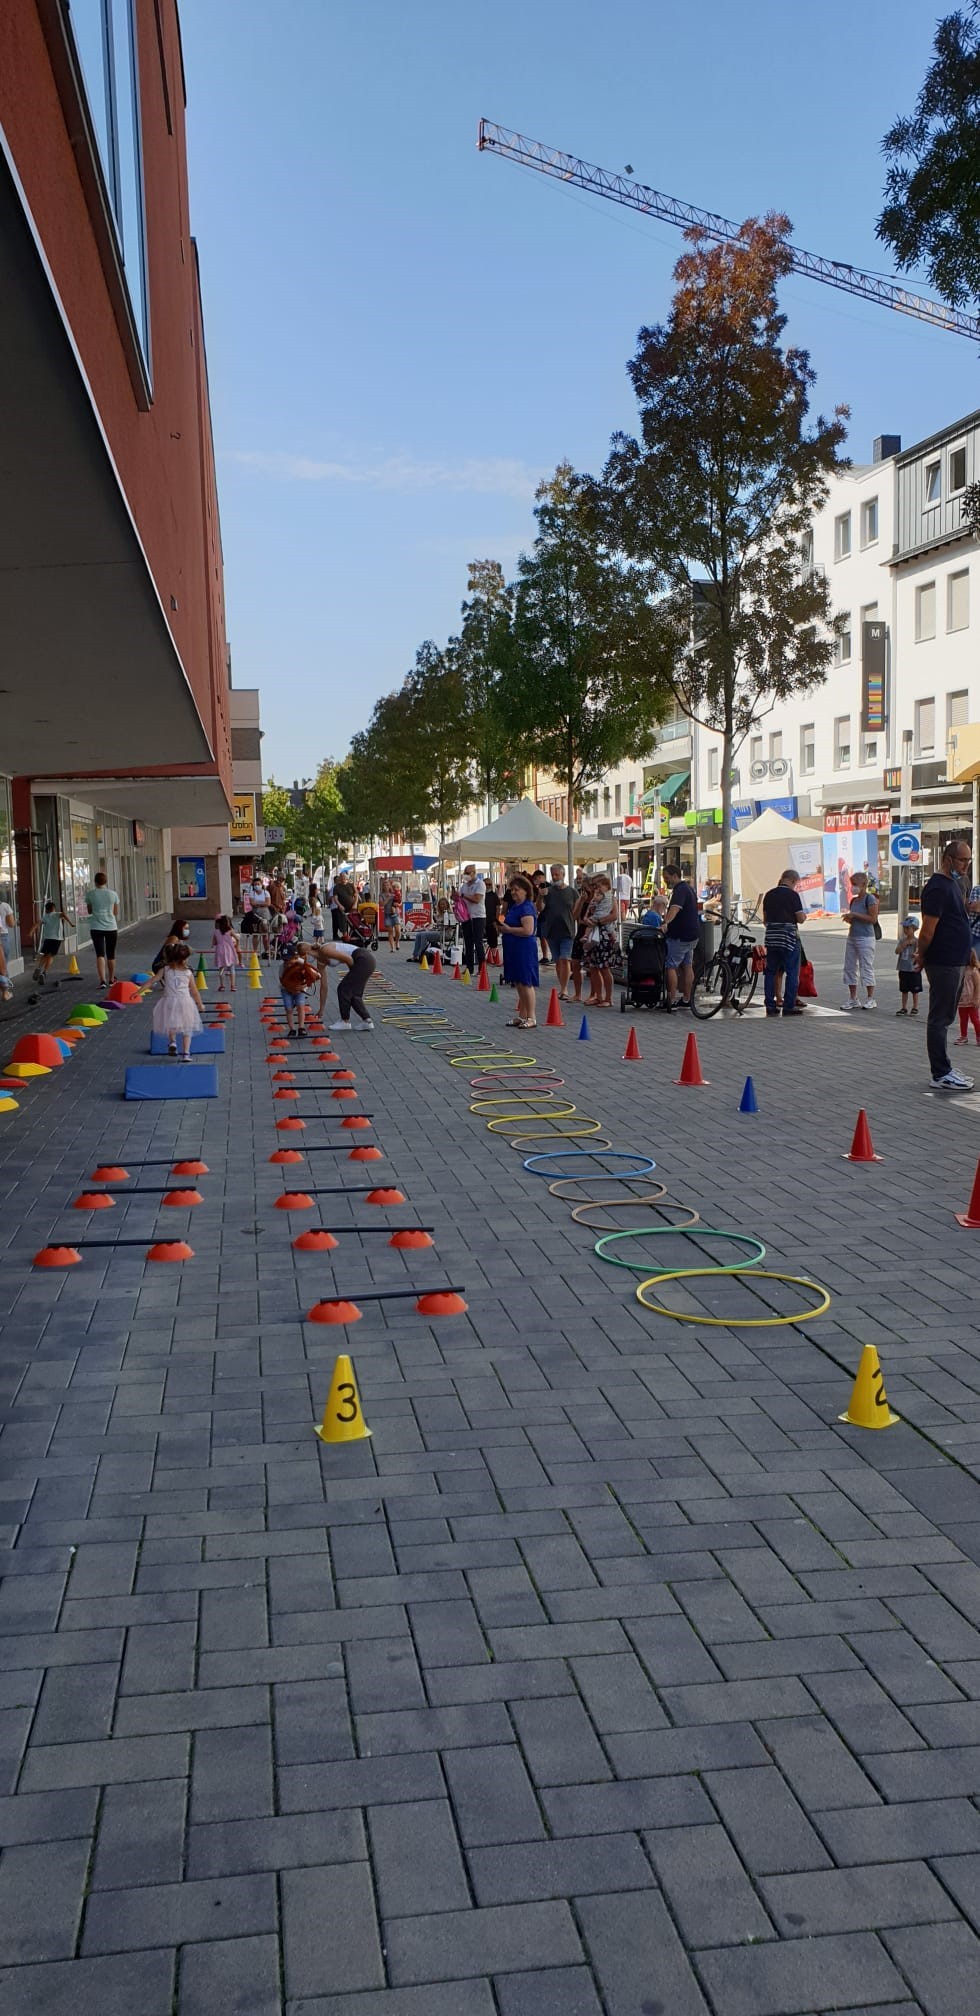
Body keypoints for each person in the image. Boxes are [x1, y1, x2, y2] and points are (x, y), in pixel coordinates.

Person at [917, 835, 974, 1091]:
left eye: (969, 860)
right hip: (944, 960)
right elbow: (928, 930)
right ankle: (940, 1073)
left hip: (957, 958)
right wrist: (921, 954)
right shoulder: (938, 887)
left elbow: (958, 919)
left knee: (947, 1015)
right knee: (940, 1017)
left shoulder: (954, 883)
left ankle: (945, 1068)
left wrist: (969, 952)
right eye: (962, 860)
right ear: (947, 858)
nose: (966, 865)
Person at [762, 869, 805, 1018]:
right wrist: (803, 916)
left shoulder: (769, 894)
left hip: (772, 938)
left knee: (770, 972)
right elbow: (800, 918)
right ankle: (788, 1006)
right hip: (788, 938)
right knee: (792, 972)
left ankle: (770, 1005)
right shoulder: (793, 896)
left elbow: (765, 920)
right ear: (793, 881)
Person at [500, 873, 539, 1028]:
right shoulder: (515, 906)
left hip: (524, 948)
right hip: (513, 947)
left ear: (525, 890)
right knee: (518, 982)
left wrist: (509, 929)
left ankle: (531, 1017)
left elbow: (528, 930)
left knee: (525, 982)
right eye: (512, 890)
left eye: (516, 890)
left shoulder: (527, 907)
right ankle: (522, 1015)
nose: (513, 893)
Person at [152, 941, 202, 1060]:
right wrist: (200, 1004)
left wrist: (137, 991)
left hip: (169, 1001)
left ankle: (173, 1042)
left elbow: (152, 980)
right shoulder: (188, 972)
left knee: (171, 1023)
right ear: (185, 959)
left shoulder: (166, 969)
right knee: (187, 1028)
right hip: (185, 1002)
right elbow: (194, 991)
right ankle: (186, 1054)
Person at [662, 864, 700, 1010]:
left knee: (670, 966)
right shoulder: (689, 888)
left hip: (680, 935)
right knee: (687, 965)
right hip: (692, 934)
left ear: (674, 875)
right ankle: (686, 998)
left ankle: (671, 999)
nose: (666, 880)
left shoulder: (680, 890)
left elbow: (674, 909)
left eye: (667, 877)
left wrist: (666, 923)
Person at [320, 939, 377, 1031]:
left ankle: (345, 1021)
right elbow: (323, 985)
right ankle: (367, 1021)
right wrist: (321, 1009)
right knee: (354, 993)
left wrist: (353, 974)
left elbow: (348, 959)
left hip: (362, 958)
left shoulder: (325, 949)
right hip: (367, 959)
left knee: (343, 989)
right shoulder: (320, 959)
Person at [841, 870, 878, 1009]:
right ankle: (853, 998)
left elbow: (872, 919)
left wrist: (855, 915)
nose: (853, 887)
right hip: (853, 936)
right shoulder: (853, 900)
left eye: (855, 884)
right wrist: (849, 918)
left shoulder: (870, 899)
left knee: (866, 966)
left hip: (866, 938)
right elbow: (855, 918)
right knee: (850, 967)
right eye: (852, 884)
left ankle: (870, 998)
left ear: (863, 884)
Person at [581, 873, 618, 1008]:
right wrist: (588, 920)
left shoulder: (610, 898)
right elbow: (586, 915)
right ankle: (598, 996)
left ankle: (608, 998)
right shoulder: (594, 899)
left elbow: (614, 915)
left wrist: (598, 922)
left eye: (597, 885)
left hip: (604, 934)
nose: (595, 888)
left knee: (604, 967)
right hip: (594, 933)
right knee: (593, 967)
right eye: (594, 886)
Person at [540, 865, 576, 999]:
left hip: (567, 931)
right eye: (552, 875)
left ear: (563, 875)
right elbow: (540, 908)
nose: (554, 877)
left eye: (557, 875)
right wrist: (540, 896)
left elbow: (577, 911)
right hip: (551, 931)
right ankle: (562, 986)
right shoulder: (548, 892)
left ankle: (564, 989)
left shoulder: (572, 892)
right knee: (558, 961)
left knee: (565, 959)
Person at [85, 872, 120, 989]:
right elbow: (115, 912)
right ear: (106, 881)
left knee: (100, 954)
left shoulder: (90, 894)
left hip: (96, 927)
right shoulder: (113, 894)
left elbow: (89, 911)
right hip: (111, 927)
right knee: (111, 954)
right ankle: (111, 979)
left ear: (95, 882)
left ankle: (102, 981)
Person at [279, 942, 318, 1038]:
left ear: (295, 957)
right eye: (285, 960)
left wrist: (303, 987)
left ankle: (301, 1027)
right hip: (286, 990)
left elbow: (313, 976)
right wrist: (290, 988)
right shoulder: (282, 967)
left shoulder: (302, 964)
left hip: (300, 989)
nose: (287, 962)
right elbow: (282, 981)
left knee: (301, 1007)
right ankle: (292, 1029)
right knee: (289, 1009)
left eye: (289, 959)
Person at [33, 899, 73, 983]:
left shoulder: (45, 917)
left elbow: (37, 923)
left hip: (47, 938)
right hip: (56, 939)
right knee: (50, 956)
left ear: (47, 909)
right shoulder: (57, 914)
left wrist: (31, 932)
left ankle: (39, 968)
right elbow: (64, 915)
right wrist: (70, 923)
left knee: (45, 955)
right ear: (54, 908)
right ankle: (44, 972)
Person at [458, 865, 487, 975]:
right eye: (465, 873)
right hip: (466, 916)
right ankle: (469, 968)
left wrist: (463, 895)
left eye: (468, 873)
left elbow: (477, 899)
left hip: (478, 916)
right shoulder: (464, 886)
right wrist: (456, 897)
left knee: (478, 942)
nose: (466, 875)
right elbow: (460, 899)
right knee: (468, 942)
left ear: (474, 873)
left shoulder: (480, 884)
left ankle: (482, 968)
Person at [895, 917, 921, 1017]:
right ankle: (904, 1007)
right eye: (904, 928)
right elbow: (897, 951)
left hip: (913, 969)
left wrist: (916, 955)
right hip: (903, 968)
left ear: (914, 929)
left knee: (915, 990)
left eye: (908, 928)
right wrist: (903, 945)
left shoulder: (917, 941)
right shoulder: (902, 940)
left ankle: (915, 1007)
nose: (905, 930)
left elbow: (919, 953)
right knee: (904, 989)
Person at [956, 950, 980, 1047]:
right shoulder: (961, 970)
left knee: (975, 1019)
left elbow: (978, 985)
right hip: (962, 1000)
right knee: (963, 1019)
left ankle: (979, 1036)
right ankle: (963, 1036)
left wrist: (977, 998)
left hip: (971, 1000)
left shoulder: (973, 971)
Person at [211, 915, 241, 993]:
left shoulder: (216, 931)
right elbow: (237, 938)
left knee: (221, 968)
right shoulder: (230, 930)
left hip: (220, 950)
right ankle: (232, 986)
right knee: (232, 968)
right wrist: (236, 945)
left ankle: (222, 985)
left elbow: (214, 942)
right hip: (229, 950)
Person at [247, 876, 272, 958]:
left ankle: (267, 951)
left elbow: (268, 903)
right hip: (255, 916)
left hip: (265, 915)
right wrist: (262, 904)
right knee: (255, 934)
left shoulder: (266, 893)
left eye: (258, 884)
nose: (256, 886)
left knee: (265, 934)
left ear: (261, 884)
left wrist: (257, 904)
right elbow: (252, 903)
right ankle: (255, 952)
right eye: (255, 884)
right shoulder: (252, 893)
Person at [0, 893, 13, 1001]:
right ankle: (5, 992)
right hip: (2, 937)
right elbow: (11, 923)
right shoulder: (4, 906)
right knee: (2, 965)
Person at [382, 884, 402, 952]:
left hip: (396, 914)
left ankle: (397, 942)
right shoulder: (382, 895)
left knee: (398, 931)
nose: (387, 887)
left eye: (388, 885)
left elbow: (400, 901)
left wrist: (398, 904)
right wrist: (388, 898)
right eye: (385, 885)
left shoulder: (396, 893)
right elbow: (382, 904)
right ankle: (392, 947)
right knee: (390, 932)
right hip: (388, 914)